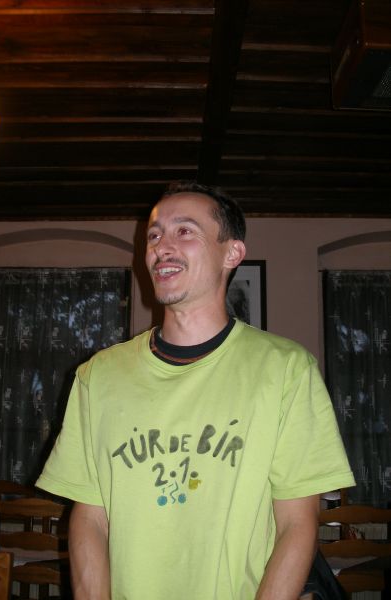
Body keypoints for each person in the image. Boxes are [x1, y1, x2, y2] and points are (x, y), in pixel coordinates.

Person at [36, 181, 355, 600]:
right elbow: (91, 515)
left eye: (184, 231)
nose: (161, 247)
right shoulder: (97, 375)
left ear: (232, 253)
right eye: (153, 235)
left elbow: (297, 524)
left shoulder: (287, 370)